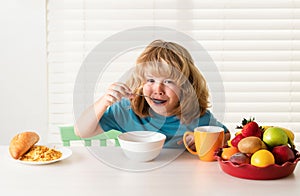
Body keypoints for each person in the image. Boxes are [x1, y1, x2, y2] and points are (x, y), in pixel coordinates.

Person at [75, 39, 230, 148]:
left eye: (169, 81)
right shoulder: (126, 110)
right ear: (141, 82)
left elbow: (226, 136)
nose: (158, 89)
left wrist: (202, 140)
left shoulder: (196, 117)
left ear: (186, 87)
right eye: (150, 80)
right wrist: (104, 101)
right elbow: (81, 131)